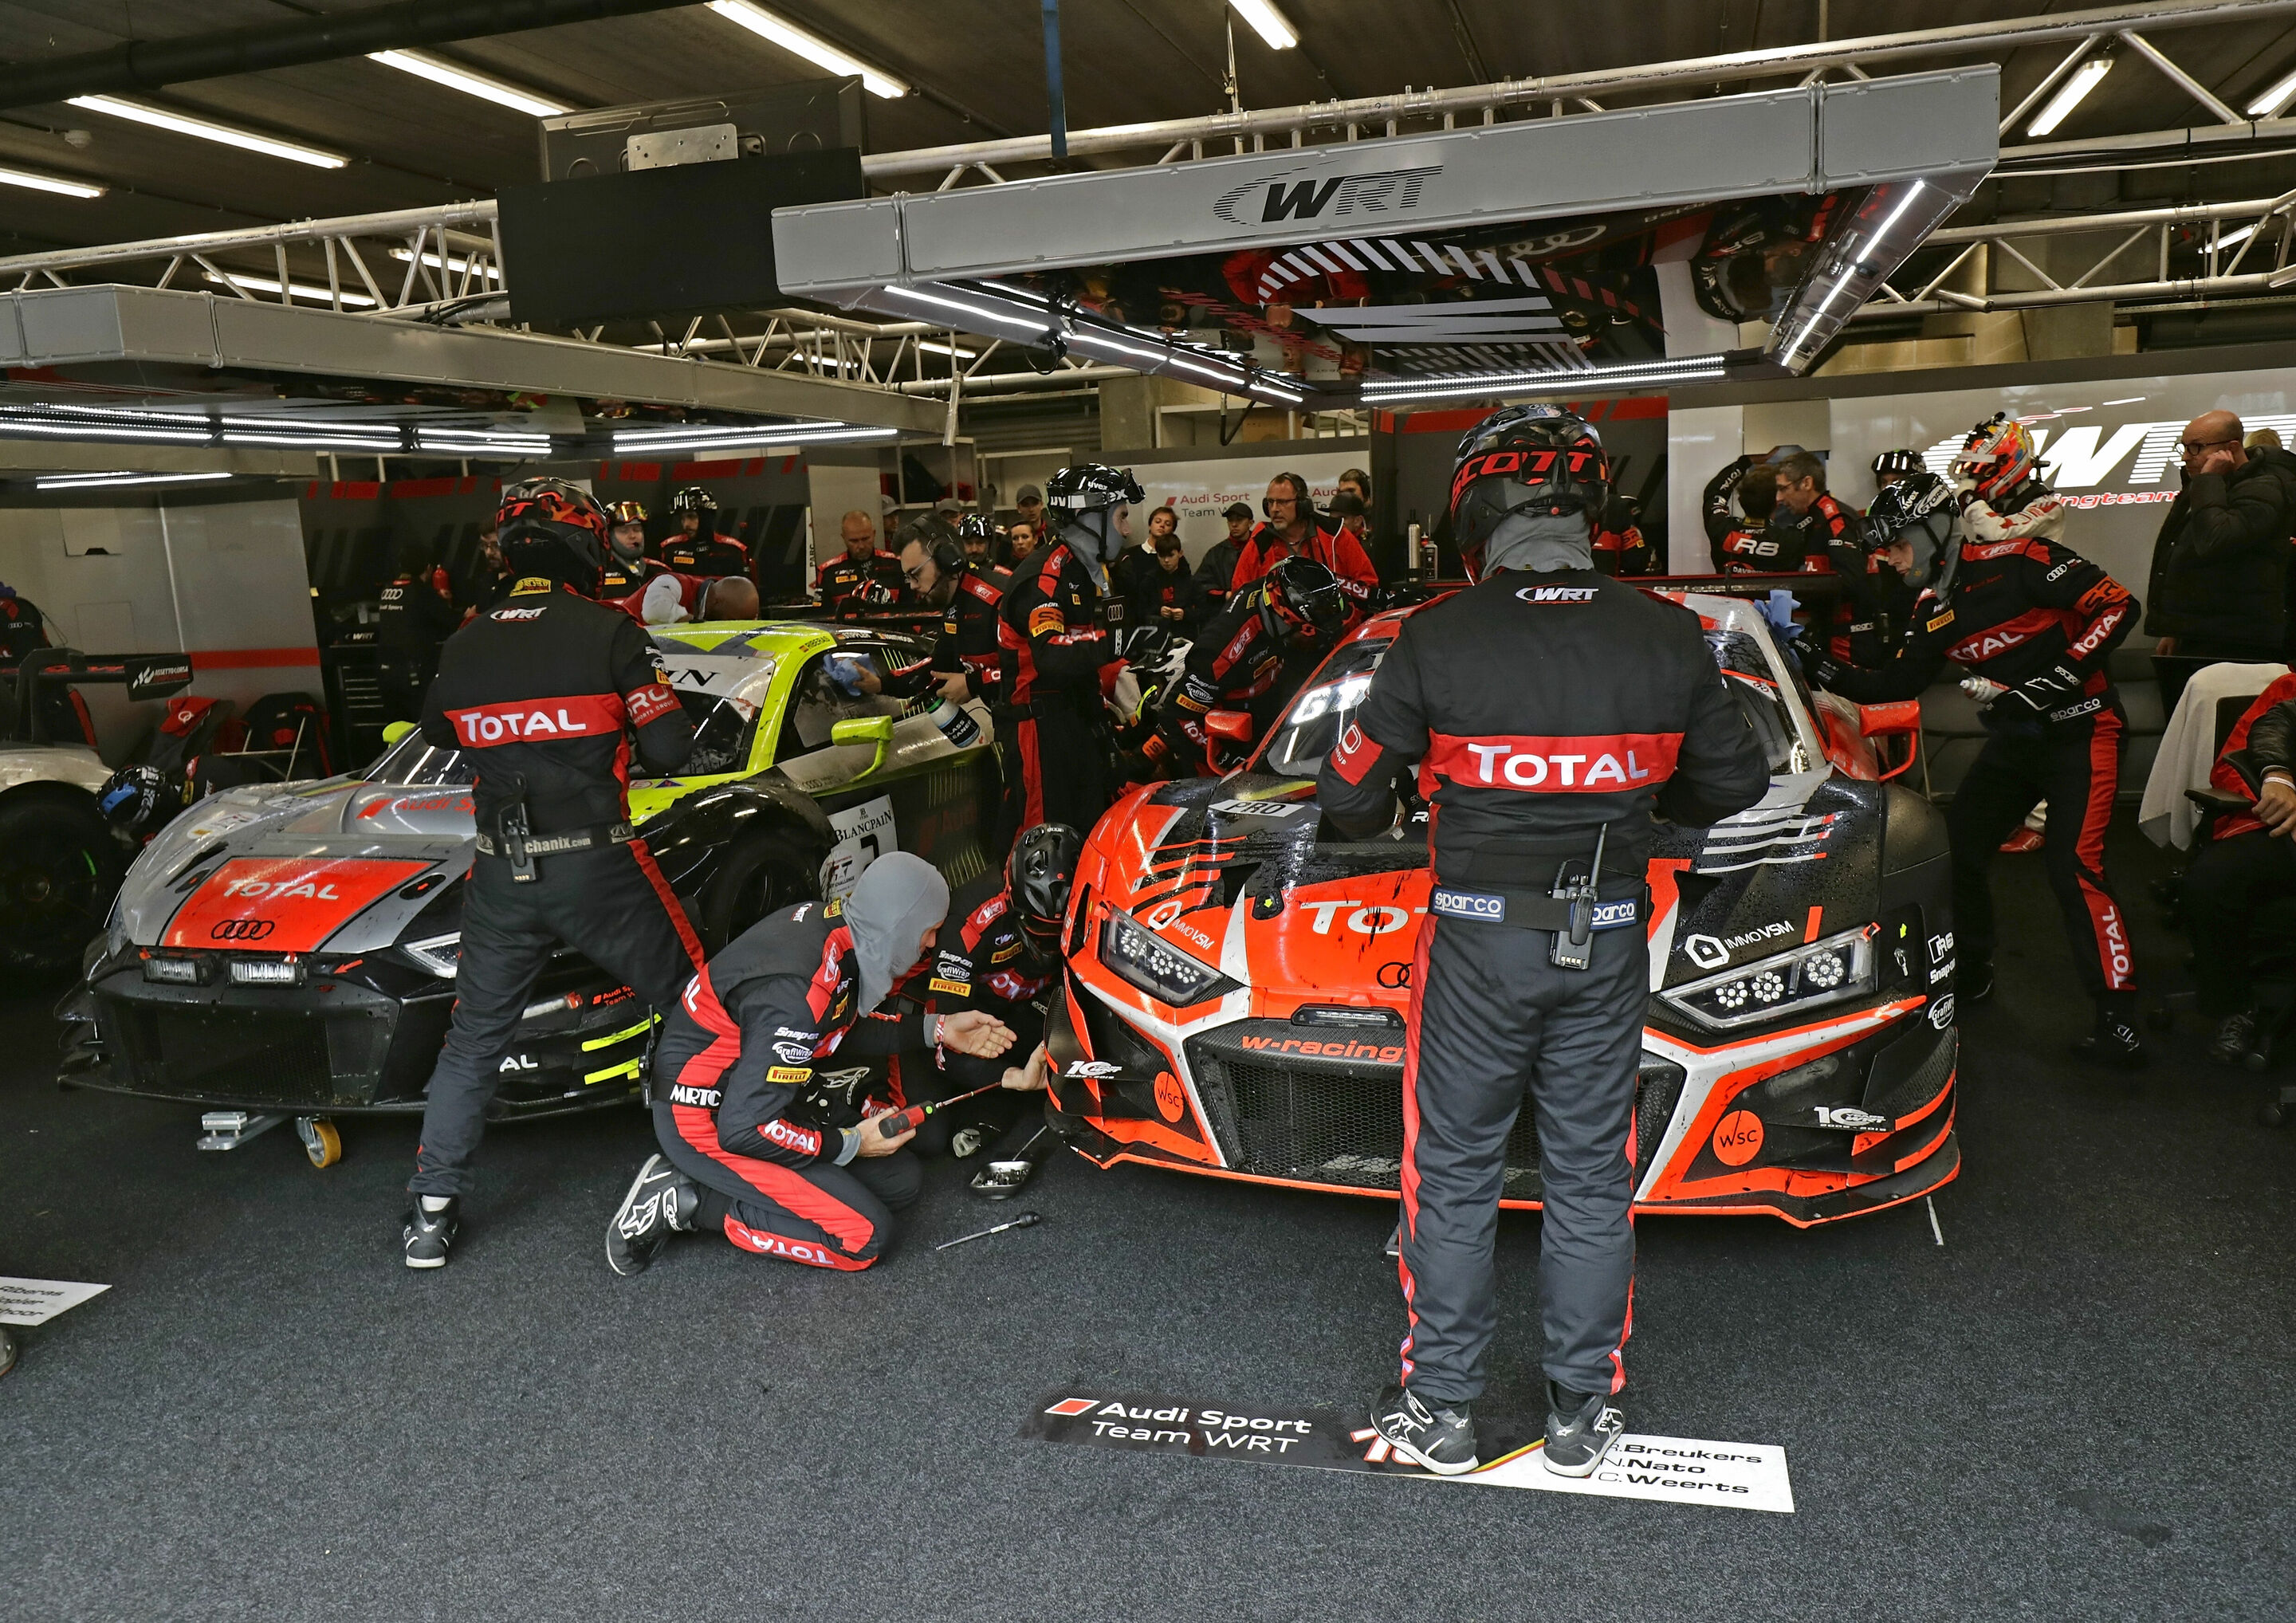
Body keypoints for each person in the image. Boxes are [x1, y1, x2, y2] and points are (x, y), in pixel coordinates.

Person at [1316, 403, 1768, 1480]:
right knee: (1588, 1179)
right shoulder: (1666, 632)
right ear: (1588, 507)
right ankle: (1582, 1411)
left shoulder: (1434, 635)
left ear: (1476, 508)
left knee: (1455, 1176)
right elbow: (1738, 784)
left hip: (1474, 948)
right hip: (1608, 939)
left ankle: (1443, 1408)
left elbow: (1345, 800)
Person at [400, 477, 707, 1271]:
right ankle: (708, 1153)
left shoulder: (464, 641)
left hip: (502, 873)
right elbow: (672, 750)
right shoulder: (608, 630)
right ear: (588, 546)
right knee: (695, 998)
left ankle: (430, 1215)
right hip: (599, 863)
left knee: (472, 1040)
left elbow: (438, 727)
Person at [1811, 462, 2147, 1065]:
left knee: (2076, 869)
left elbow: (2120, 608)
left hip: (2085, 730)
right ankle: (1975, 972)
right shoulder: (1933, 608)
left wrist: (2061, 675)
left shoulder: (2022, 559)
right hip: (2019, 742)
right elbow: (1891, 682)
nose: (1888, 559)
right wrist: (1815, 664)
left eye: (1895, 544)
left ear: (1938, 528)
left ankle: (2119, 1016)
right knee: (1959, 848)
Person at [603, 853, 1020, 1275]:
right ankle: (687, 1199)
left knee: (901, 1181)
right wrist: (852, 1143)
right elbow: (747, 1128)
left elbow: (838, 1025)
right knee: (863, 1238)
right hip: (704, 1120)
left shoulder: (834, 930)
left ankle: (781, 1192)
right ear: (899, 923)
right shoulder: (800, 996)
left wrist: (938, 1028)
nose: (931, 944)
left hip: (749, 1091)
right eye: (929, 932)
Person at [890, 823, 1076, 1159]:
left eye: (1060, 929)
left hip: (1016, 1009)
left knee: (1071, 1055)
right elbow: (947, 1041)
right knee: (928, 1138)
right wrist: (1011, 1076)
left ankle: (998, 1096)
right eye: (1038, 927)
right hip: (935, 1015)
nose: (1049, 941)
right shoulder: (969, 924)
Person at [995, 462, 1138, 843]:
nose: (1126, 529)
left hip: (1075, 717)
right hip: (1039, 728)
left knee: (1089, 834)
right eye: (1121, 517)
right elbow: (1052, 656)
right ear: (1088, 516)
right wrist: (1120, 642)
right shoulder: (1045, 576)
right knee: (1044, 844)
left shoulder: (1084, 571)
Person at [2145, 408, 2296, 714]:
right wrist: (2176, 628)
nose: (2186, 456)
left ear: (2231, 448)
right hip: (2201, 634)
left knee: (2223, 739)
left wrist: (2209, 480)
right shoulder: (2208, 483)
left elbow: (2216, 542)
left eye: (2196, 447)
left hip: (2238, 642)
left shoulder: (2264, 487)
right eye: (2183, 446)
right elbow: (2183, 551)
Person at [2177, 674, 2296, 1063]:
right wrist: (2277, 787)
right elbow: (2234, 764)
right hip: (2278, 825)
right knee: (2212, 882)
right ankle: (2234, 1006)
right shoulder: (2288, 690)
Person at [1141, 557, 1345, 776]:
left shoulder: (1274, 591)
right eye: (1313, 633)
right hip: (1226, 733)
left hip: (1269, 699)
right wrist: (1229, 761)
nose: (1320, 641)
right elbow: (1177, 717)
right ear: (1287, 619)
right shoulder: (1221, 651)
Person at [1774, 450, 1886, 662]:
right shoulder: (1811, 520)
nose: (1779, 498)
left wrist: (1804, 595)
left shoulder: (1834, 518)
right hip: (1830, 633)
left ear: (1806, 483)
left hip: (1850, 638)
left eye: (1783, 489)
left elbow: (1851, 579)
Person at [1231, 474, 1379, 614]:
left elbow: (1367, 586)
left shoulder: (1335, 535)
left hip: (1337, 633)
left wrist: (1342, 618)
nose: (1275, 509)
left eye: (1283, 502)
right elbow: (1239, 596)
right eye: (1270, 502)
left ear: (1302, 504)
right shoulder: (1260, 543)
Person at [898, 518, 1005, 706]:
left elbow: (1038, 668)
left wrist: (974, 683)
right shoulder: (955, 602)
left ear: (947, 560)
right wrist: (879, 683)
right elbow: (941, 662)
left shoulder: (1000, 597)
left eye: (916, 574)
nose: (913, 585)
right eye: (908, 577)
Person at [0, 580, 96, 745]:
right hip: (13, 711)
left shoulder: (15, 610)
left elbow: (29, 663)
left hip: (51, 704)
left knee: (86, 763)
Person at [375, 544, 462, 725]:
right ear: (428, 568)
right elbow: (453, 622)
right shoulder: (421, 591)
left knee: (396, 729)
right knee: (422, 729)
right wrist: (452, 605)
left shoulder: (387, 590)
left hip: (385, 673)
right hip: (412, 673)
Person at [1703, 456, 1795, 572]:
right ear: (1777, 502)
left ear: (1740, 500)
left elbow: (1715, 492)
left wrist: (1744, 463)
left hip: (1727, 591)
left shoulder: (1721, 528)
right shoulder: (1791, 540)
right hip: (1775, 591)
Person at [816, 509, 906, 615]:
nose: (861, 546)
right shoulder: (827, 572)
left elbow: (913, 610)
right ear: (843, 538)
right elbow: (820, 618)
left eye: (866, 539)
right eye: (854, 541)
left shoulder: (897, 564)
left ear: (874, 534)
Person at [1126, 525, 1208, 635]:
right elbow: (1139, 612)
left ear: (1180, 554)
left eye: (1171, 555)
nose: (1166, 560)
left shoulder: (1191, 581)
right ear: (1157, 555)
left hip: (1186, 635)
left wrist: (1185, 614)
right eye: (1162, 556)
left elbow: (1204, 611)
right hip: (1157, 635)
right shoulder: (1149, 580)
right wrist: (1158, 611)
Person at [661, 487, 750, 580]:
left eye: (691, 517)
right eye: (682, 519)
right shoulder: (670, 548)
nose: (685, 525)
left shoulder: (733, 550)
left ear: (706, 517)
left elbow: (745, 591)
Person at [596, 500, 663, 603]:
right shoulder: (598, 574)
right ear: (608, 536)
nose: (632, 536)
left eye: (637, 530)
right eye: (624, 531)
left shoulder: (660, 571)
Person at [1195, 501, 1254, 617]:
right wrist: (1224, 595)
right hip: (1225, 614)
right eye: (1231, 520)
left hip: (1257, 612)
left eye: (1239, 519)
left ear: (1250, 523)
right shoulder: (1216, 553)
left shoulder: (1261, 548)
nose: (1234, 524)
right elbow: (1200, 585)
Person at [466, 522, 515, 613]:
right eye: (485, 545)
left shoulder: (524, 584)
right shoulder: (487, 579)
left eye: (495, 546)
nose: (489, 552)